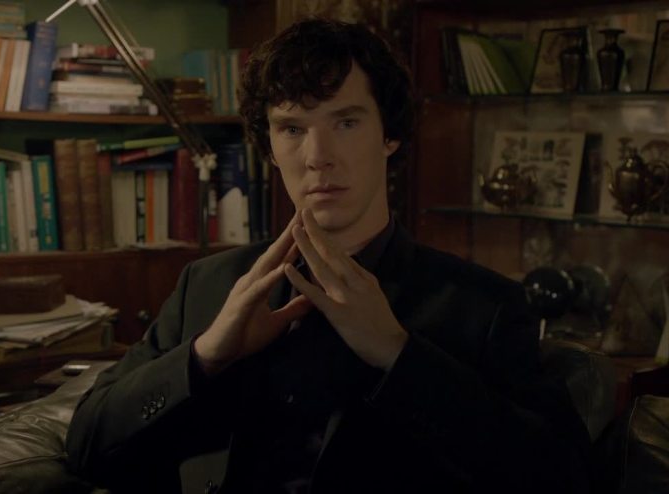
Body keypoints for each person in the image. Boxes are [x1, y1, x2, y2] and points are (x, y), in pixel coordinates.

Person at [66, 18, 591, 493]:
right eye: (292, 129)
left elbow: (564, 476)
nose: (318, 158)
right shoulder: (207, 285)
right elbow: (87, 446)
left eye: (346, 123)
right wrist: (205, 357)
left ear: (389, 135)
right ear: (270, 148)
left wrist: (399, 354)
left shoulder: (484, 307)